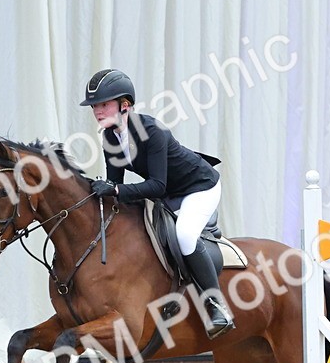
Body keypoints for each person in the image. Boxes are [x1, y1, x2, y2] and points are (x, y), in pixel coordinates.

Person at [80, 69, 235, 339]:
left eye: (103, 104)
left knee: (185, 235)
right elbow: (116, 185)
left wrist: (115, 189)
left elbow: (155, 185)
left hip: (199, 187)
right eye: (95, 106)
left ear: (124, 105)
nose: (97, 111)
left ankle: (216, 306)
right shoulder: (109, 138)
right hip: (167, 194)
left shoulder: (152, 131)